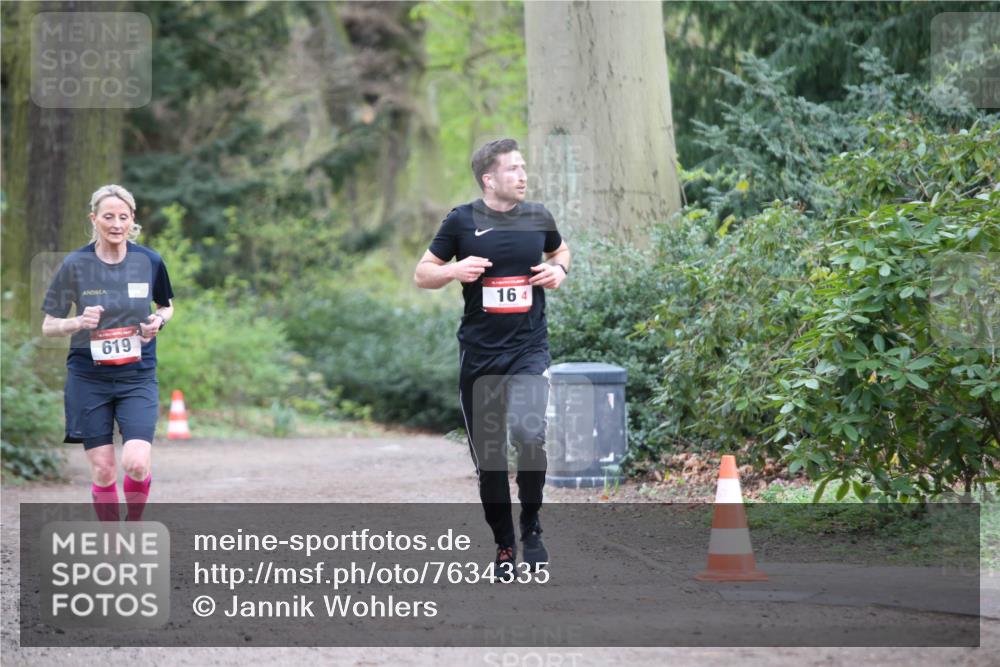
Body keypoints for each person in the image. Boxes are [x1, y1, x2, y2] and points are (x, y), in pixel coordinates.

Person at [414, 138, 570, 579]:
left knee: (529, 434)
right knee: (490, 460)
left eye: (523, 168)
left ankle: (533, 526)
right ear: (489, 178)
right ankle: (504, 545)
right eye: (512, 169)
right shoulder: (462, 221)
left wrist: (558, 270)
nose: (522, 176)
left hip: (528, 349)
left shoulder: (538, 216)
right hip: (480, 357)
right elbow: (422, 272)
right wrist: (452, 271)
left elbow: (560, 250)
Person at [41, 184, 174, 522]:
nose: (116, 224)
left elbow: (167, 306)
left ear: (132, 221)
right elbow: (48, 325)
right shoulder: (75, 264)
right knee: (103, 470)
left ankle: (133, 525)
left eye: (123, 217)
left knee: (137, 463)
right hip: (89, 377)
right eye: (108, 216)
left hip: (137, 374)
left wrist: (158, 320)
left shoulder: (149, 260)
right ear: (94, 219)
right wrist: (77, 322)